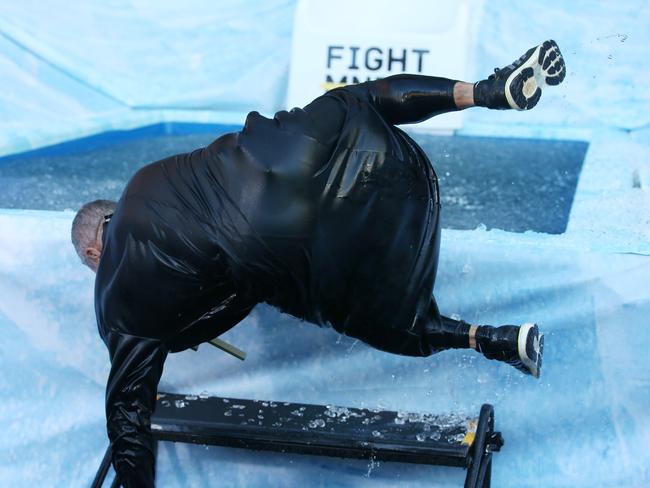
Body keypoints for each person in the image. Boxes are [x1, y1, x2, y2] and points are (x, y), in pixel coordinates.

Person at [71, 40, 565, 487]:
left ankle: (490, 338)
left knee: (383, 320)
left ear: (95, 252)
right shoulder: (147, 180)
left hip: (276, 241)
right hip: (311, 154)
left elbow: (127, 413)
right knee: (358, 99)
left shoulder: (117, 294)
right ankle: (484, 90)